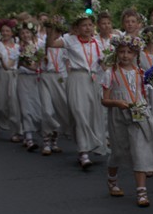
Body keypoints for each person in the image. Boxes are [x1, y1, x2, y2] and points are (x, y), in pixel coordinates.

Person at [101, 35, 153, 206]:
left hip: (138, 115)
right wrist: (117, 103)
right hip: (119, 116)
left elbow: (146, 94)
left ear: (135, 54)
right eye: (122, 52)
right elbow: (104, 100)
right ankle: (112, 178)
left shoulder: (141, 73)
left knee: (140, 149)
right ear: (116, 53)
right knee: (118, 151)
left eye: (129, 52)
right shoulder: (110, 72)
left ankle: (141, 192)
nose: (125, 55)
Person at [46, 14, 107, 169]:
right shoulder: (70, 40)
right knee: (79, 113)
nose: (87, 28)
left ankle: (93, 144)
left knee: (92, 113)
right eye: (84, 25)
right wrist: (53, 27)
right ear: (77, 28)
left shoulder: (97, 42)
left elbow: (103, 61)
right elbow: (52, 43)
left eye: (89, 25)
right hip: (76, 78)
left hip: (92, 79)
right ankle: (83, 151)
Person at [38, 18, 70, 156]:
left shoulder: (63, 45)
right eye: (50, 30)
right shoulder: (41, 45)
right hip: (46, 76)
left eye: (56, 30)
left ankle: (54, 141)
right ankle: (46, 140)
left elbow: (68, 63)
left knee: (59, 109)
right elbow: (35, 62)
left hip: (60, 78)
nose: (53, 33)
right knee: (47, 110)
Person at [0, 19, 22, 142]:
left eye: (7, 31)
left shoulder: (18, 47)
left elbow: (14, 62)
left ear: (12, 32)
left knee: (14, 104)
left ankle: (16, 131)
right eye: (3, 31)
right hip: (1, 74)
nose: (5, 33)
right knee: (0, 103)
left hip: (14, 74)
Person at [16, 20, 44, 152]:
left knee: (38, 105)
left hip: (37, 79)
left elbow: (42, 61)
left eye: (27, 32)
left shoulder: (39, 45)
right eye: (22, 33)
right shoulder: (17, 47)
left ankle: (41, 131)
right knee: (25, 106)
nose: (25, 35)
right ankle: (28, 136)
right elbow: (16, 64)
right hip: (23, 78)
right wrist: (24, 63)